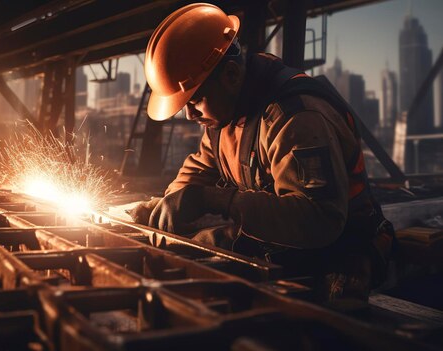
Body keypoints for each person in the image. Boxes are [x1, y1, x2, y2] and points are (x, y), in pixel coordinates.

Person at [131, 3, 395, 301]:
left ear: (230, 74)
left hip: (336, 251)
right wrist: (164, 206)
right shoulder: (224, 114)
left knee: (208, 249)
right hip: (286, 240)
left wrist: (212, 199)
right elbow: (200, 169)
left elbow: (319, 220)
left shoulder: (296, 119)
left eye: (195, 100)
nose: (189, 114)